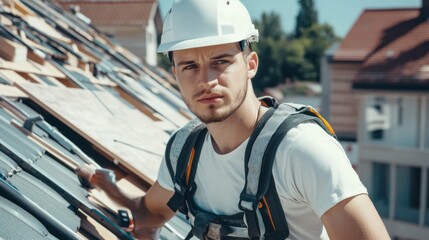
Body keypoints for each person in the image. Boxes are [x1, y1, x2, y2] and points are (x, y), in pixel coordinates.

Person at [76, 0, 390, 239]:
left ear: (250, 63)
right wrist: (111, 190)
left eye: (221, 62)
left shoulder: (302, 151)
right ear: (174, 74)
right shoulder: (184, 152)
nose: (206, 80)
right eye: (189, 66)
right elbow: (150, 213)